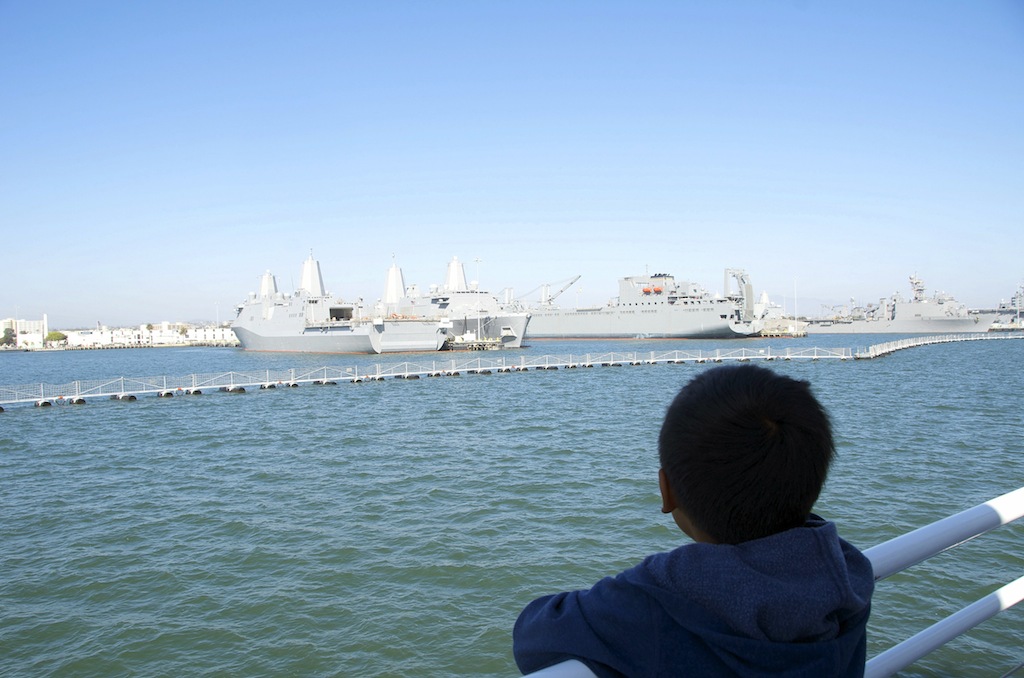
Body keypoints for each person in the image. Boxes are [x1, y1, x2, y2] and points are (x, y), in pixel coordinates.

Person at [513, 364, 874, 677]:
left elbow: (533, 637)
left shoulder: (655, 604)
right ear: (812, 485)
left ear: (666, 490)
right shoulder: (847, 578)